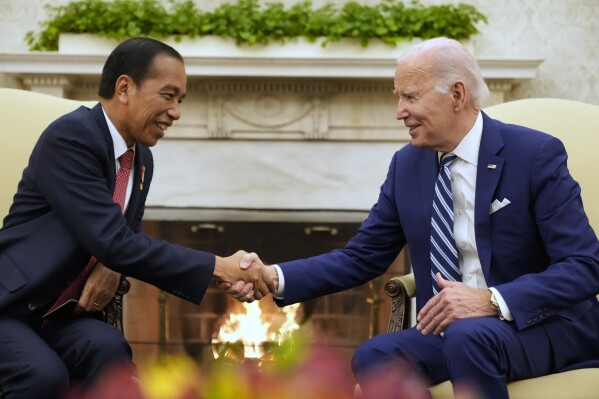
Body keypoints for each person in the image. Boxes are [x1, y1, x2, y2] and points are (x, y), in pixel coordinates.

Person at [228, 37, 599, 398]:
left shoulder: (533, 155)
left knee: (468, 337)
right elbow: (362, 257)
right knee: (375, 356)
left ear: (457, 94)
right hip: (455, 334)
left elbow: (584, 265)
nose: (399, 111)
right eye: (398, 97)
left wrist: (489, 300)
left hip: (539, 324)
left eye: (410, 96)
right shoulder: (407, 165)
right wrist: (273, 276)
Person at [0, 37, 271, 399]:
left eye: (180, 101)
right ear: (125, 87)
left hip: (61, 314)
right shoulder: (71, 138)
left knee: (110, 352)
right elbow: (115, 241)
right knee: (42, 376)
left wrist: (112, 266)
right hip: (13, 306)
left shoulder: (141, 159)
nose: (175, 112)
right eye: (168, 95)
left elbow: (124, 237)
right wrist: (218, 267)